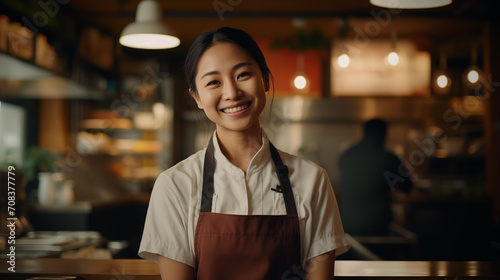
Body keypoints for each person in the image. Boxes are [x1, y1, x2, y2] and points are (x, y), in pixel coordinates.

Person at [138, 27, 350, 279]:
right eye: (214, 82)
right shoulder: (175, 185)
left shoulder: (312, 180)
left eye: (243, 74)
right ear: (196, 97)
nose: (231, 93)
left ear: (266, 80)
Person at [338, 118, 413, 236]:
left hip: (346, 223)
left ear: (363, 132)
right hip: (377, 224)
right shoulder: (390, 159)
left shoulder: (346, 155)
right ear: (384, 134)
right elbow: (407, 187)